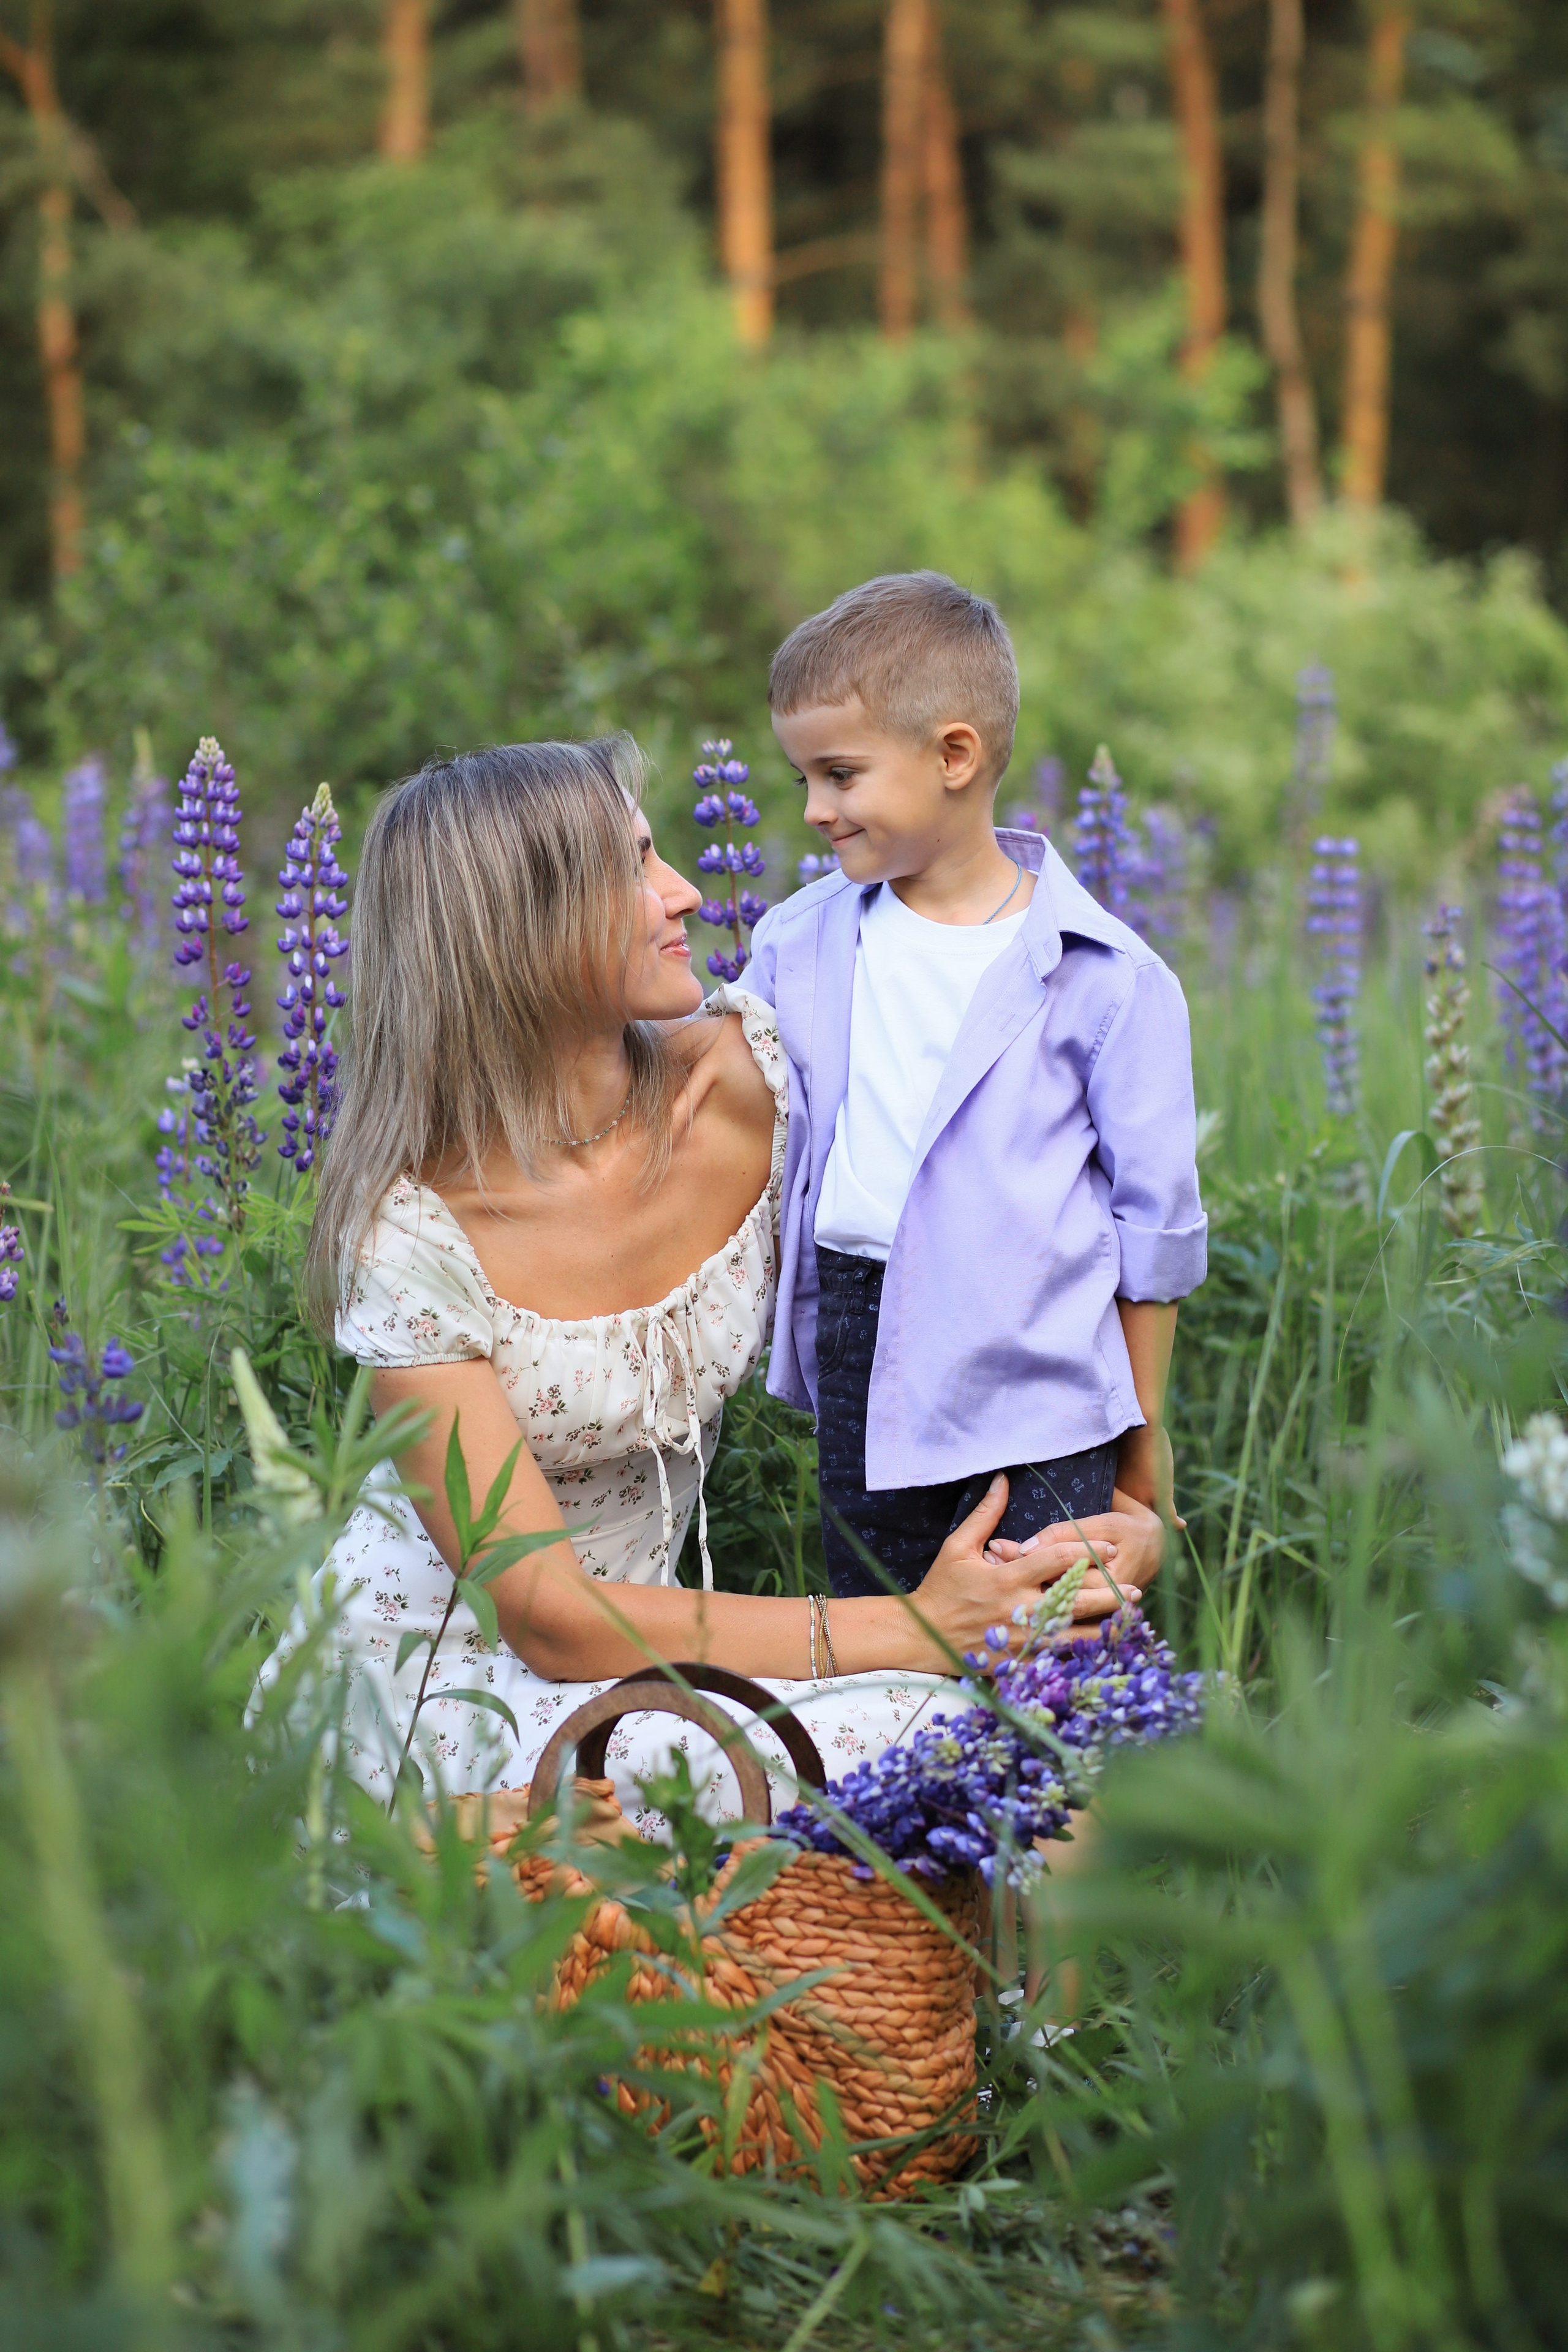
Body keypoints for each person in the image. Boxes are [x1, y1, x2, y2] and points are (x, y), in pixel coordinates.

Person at [257, 736, 1134, 1826]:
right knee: (933, 1723)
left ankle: (996, 2001)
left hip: (649, 1666)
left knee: (1006, 1718)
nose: (681, 892)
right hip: (437, 1698)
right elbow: (547, 1615)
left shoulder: (752, 1078)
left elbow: (1029, 1224)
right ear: (519, 930)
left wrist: (1132, 1502)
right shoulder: (411, 1229)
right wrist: (917, 1626)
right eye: (631, 868)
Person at [746, 570, 1207, 1604]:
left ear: (954, 754)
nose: (816, 810)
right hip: (857, 1344)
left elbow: (1155, 1234)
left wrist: (1141, 1441)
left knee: (1049, 1658)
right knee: (881, 1643)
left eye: (840, 774)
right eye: (801, 781)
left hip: (1043, 1382)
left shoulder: (1107, 974)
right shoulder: (796, 942)